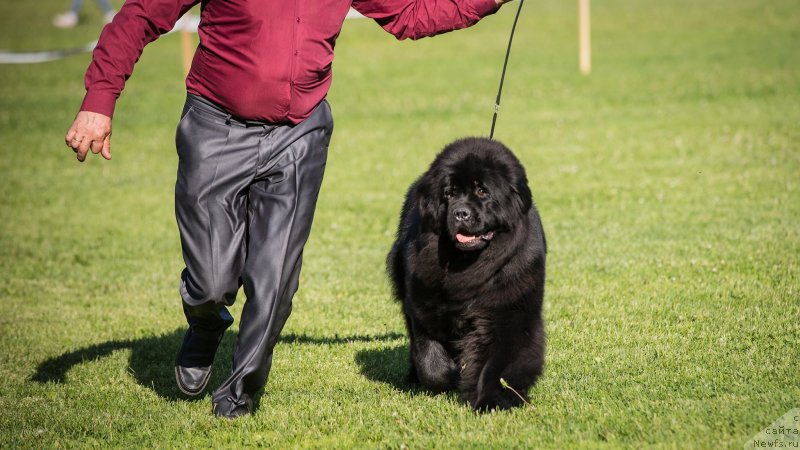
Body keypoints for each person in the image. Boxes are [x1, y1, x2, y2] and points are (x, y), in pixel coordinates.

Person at [64, 0, 509, 419]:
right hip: (216, 126)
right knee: (211, 281)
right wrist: (99, 99)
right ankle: (205, 323)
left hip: (300, 133)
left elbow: (412, 12)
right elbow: (141, 14)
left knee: (275, 278)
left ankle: (238, 396)